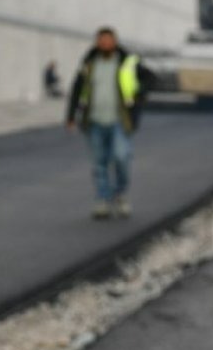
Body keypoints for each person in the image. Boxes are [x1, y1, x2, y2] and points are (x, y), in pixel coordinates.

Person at [65, 27, 154, 219]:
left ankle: (120, 194)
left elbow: (151, 78)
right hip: (94, 120)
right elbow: (76, 90)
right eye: (101, 40)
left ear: (115, 41)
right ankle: (103, 200)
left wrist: (139, 95)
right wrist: (71, 117)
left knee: (121, 157)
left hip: (120, 120)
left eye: (108, 40)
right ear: (97, 42)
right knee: (99, 162)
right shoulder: (89, 64)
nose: (105, 43)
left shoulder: (127, 62)